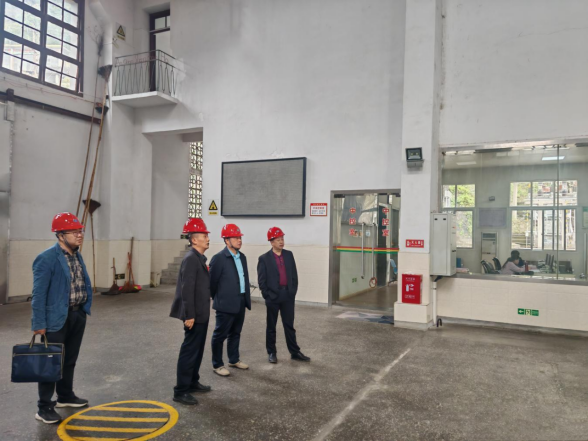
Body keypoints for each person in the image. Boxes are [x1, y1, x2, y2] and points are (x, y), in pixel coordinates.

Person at [31, 213, 93, 424]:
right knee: (50, 363)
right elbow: (38, 294)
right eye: (74, 232)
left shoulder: (76, 255)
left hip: (77, 314)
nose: (79, 235)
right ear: (60, 235)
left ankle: (65, 396)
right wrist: (39, 324)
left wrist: (83, 309)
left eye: (80, 231)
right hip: (55, 319)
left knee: (69, 360)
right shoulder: (46, 258)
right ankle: (44, 407)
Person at [169, 218, 213, 405]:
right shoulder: (191, 259)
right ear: (194, 240)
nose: (208, 239)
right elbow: (186, 290)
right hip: (194, 315)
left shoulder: (199, 258)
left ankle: (193, 381)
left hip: (201, 312)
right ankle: (180, 390)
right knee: (189, 351)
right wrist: (190, 315)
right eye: (204, 236)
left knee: (198, 349)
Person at [258, 227, 310, 364]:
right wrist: (267, 295)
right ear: (271, 242)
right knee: (271, 326)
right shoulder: (264, 258)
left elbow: (294, 275)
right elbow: (262, 281)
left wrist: (292, 292)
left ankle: (294, 352)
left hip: (287, 295)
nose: (281, 242)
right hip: (273, 297)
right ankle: (271, 352)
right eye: (278, 240)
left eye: (282, 239)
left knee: (289, 325)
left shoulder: (288, 255)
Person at [209, 224, 251, 377]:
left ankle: (233, 359)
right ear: (226, 240)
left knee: (235, 333)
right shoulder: (219, 258)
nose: (239, 240)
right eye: (235, 238)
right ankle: (217, 365)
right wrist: (220, 298)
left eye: (240, 237)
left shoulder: (242, 257)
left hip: (240, 301)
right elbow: (212, 283)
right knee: (220, 335)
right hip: (225, 303)